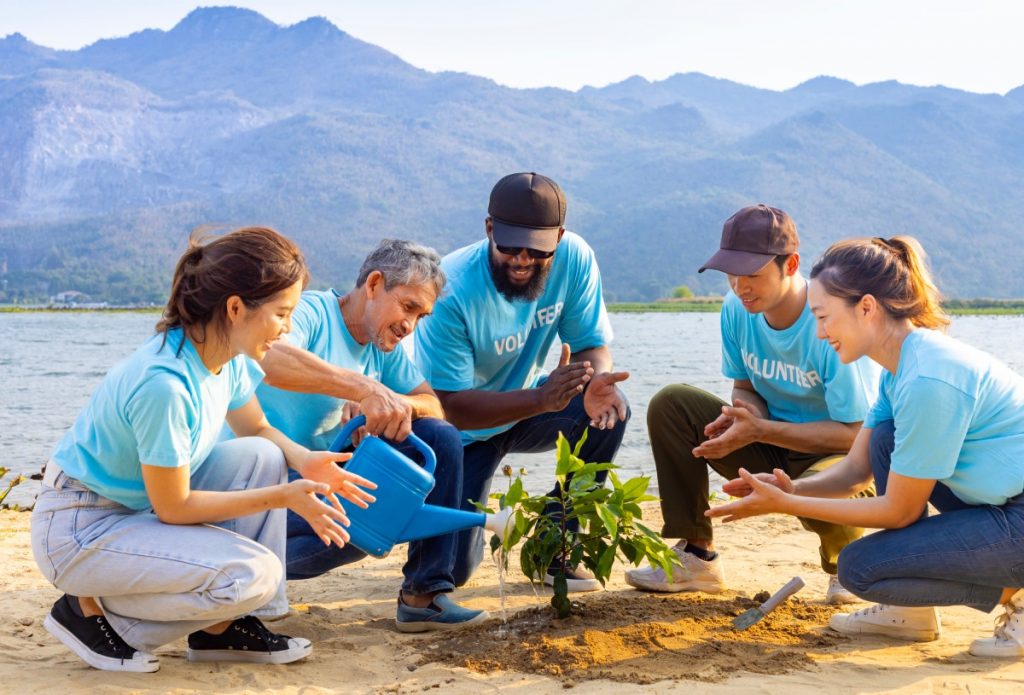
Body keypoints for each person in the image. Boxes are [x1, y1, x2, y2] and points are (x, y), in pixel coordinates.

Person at [30, 227, 376, 672]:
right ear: (236, 308)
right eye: (282, 314)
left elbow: (256, 426)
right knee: (254, 575)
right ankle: (91, 614)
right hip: (80, 529)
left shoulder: (222, 356)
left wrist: (305, 460)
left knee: (262, 454)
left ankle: (221, 630)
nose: (288, 328)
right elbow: (174, 507)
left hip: (131, 513)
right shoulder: (165, 385)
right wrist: (283, 497)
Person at [707, 235, 1024, 656]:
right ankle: (912, 612)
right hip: (997, 504)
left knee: (859, 568)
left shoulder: (929, 377)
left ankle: (1016, 595)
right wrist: (789, 489)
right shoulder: (899, 368)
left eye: (824, 317)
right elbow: (857, 471)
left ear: (867, 308)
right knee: (886, 440)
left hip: (1016, 515)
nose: (819, 333)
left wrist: (785, 506)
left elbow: (898, 510)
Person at [626, 205, 878, 603]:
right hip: (774, 442)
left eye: (753, 275)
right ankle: (697, 555)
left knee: (827, 490)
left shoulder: (828, 320)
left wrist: (762, 429)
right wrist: (745, 418)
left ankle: (846, 568)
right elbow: (744, 386)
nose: (741, 287)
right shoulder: (736, 310)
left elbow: (855, 436)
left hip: (841, 455)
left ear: (791, 264)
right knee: (671, 403)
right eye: (732, 274)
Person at [253, 238, 486, 632]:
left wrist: (389, 403)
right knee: (354, 530)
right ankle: (236, 571)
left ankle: (423, 596)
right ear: (374, 284)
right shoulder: (311, 312)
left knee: (440, 436)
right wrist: (362, 388)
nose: (410, 325)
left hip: (321, 477)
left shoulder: (384, 348)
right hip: (256, 480)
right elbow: (267, 356)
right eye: (408, 307)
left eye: (421, 316)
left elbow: (433, 404)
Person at [414, 172, 630, 592]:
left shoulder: (576, 258)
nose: (521, 259)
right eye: (509, 246)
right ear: (489, 229)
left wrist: (597, 381)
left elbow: (589, 345)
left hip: (529, 407)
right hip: (461, 433)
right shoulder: (450, 288)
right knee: (454, 573)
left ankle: (556, 543)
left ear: (559, 238)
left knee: (610, 409)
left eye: (537, 250)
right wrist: (540, 399)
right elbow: (451, 407)